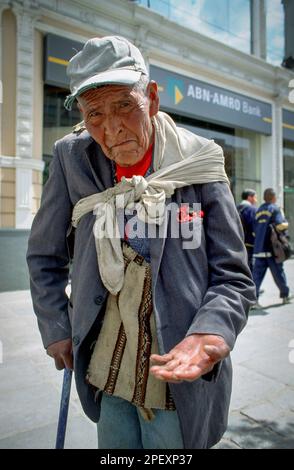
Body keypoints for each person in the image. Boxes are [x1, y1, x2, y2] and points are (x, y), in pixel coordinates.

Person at [27, 36, 255, 449]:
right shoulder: (71, 158)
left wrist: (211, 331)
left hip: (176, 362)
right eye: (94, 113)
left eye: (123, 106)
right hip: (106, 361)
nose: (111, 129)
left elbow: (233, 275)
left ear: (151, 97)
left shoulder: (199, 159)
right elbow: (44, 254)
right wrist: (56, 325)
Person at [252, 187, 291, 308]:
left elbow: (254, 231)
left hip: (258, 249)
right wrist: (286, 224)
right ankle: (285, 296)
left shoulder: (258, 211)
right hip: (272, 249)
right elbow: (280, 225)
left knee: (256, 277)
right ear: (273, 198)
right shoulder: (275, 209)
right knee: (279, 274)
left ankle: (254, 301)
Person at [237, 189, 257, 271]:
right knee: (249, 268)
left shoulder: (235, 207)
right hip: (248, 244)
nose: (256, 200)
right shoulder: (252, 209)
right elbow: (254, 227)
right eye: (255, 197)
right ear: (249, 197)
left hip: (236, 242)